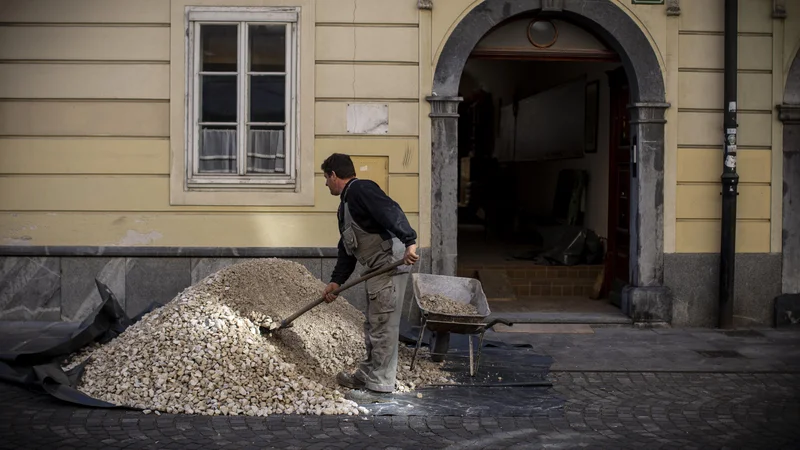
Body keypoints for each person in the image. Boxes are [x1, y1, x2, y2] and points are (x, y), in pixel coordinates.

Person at [320, 153, 419, 402]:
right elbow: (347, 248)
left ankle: (380, 386)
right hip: (375, 269)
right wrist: (336, 281)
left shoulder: (361, 189)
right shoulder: (346, 206)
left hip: (388, 266)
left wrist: (410, 240)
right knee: (374, 324)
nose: (325, 184)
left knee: (384, 325)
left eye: (325, 177)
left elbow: (390, 210)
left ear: (334, 175)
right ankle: (367, 374)